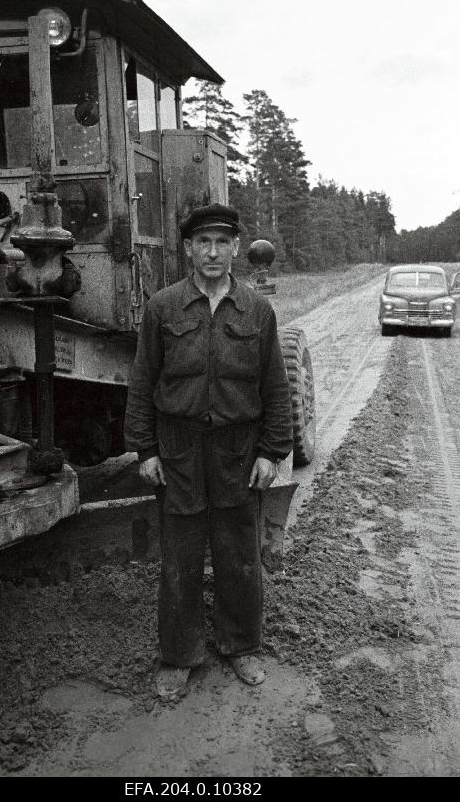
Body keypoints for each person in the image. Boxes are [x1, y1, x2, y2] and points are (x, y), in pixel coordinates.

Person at [124, 203, 293, 699]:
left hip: (238, 453)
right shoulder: (163, 307)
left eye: (223, 242)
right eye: (204, 243)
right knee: (179, 558)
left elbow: (275, 388)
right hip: (178, 452)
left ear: (237, 247)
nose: (213, 252)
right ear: (189, 249)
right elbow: (142, 382)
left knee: (239, 554)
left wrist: (271, 452)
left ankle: (240, 647)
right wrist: (144, 451)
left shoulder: (258, 310)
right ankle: (179, 657)